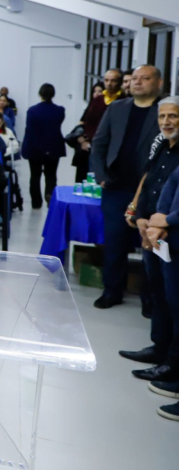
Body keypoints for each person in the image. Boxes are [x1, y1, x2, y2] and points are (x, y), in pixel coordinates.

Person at [91, 65, 163, 309]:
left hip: (152, 192)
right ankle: (112, 291)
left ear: (159, 83)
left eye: (145, 79)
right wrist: (101, 175)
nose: (138, 83)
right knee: (114, 243)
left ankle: (150, 299)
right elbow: (99, 144)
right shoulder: (117, 108)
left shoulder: (165, 112)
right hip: (116, 186)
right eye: (135, 79)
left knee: (150, 247)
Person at [122, 97, 179, 389]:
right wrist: (141, 218)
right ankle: (158, 348)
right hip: (151, 231)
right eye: (163, 117)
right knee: (156, 292)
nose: (167, 122)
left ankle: (171, 362)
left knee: (174, 300)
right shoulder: (161, 148)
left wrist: (160, 226)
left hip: (170, 234)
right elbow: (149, 183)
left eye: (173, 116)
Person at [76, 69, 123, 181]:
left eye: (113, 81)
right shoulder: (98, 99)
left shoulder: (124, 100)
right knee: (94, 175)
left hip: (114, 146)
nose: (109, 84)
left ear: (119, 82)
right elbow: (88, 120)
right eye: (106, 80)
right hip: (95, 143)